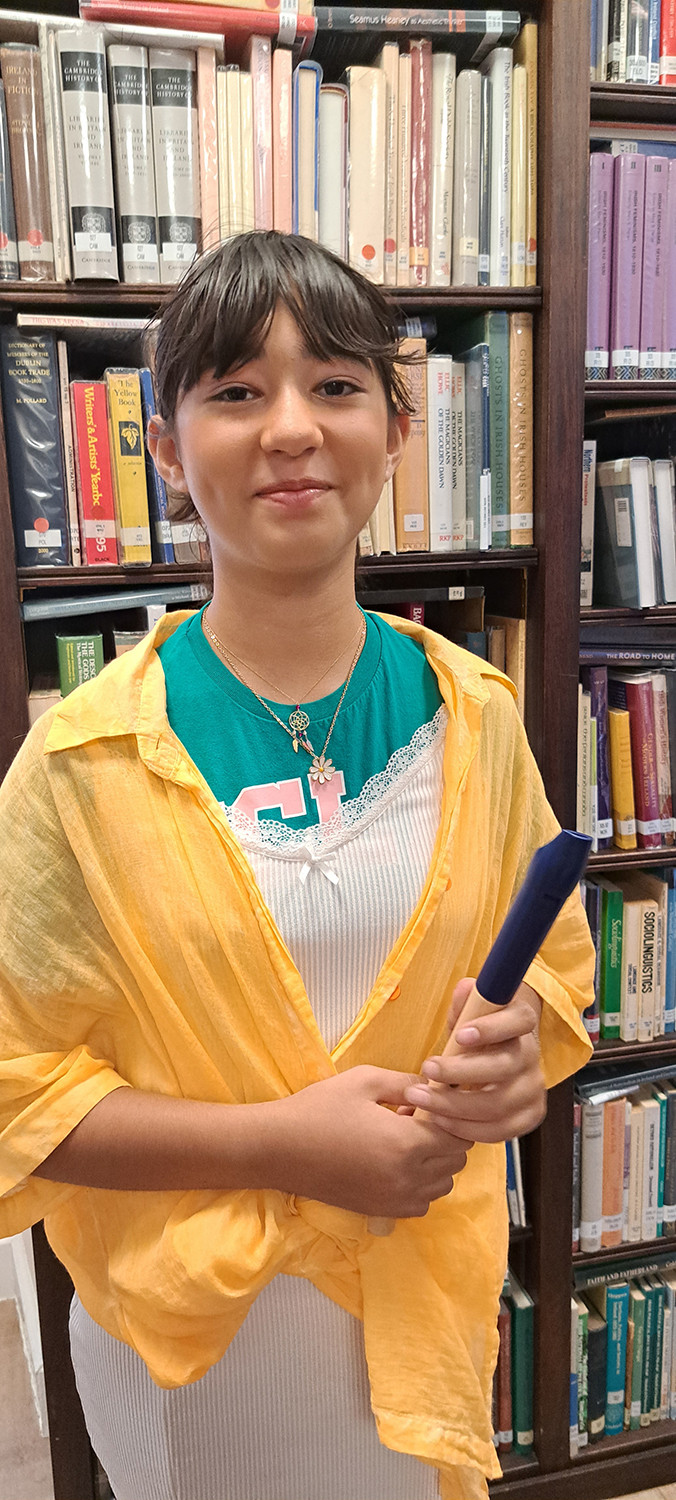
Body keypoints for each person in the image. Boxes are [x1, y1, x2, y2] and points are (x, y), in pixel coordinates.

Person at [0, 231, 595, 1500]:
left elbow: (548, 984)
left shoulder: (478, 718)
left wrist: (515, 1073)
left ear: (395, 428)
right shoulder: (79, 763)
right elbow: (17, 1095)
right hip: (186, 1348)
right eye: (234, 391)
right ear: (165, 447)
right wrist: (281, 1143)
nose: (289, 429)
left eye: (333, 384)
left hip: (416, 1306)